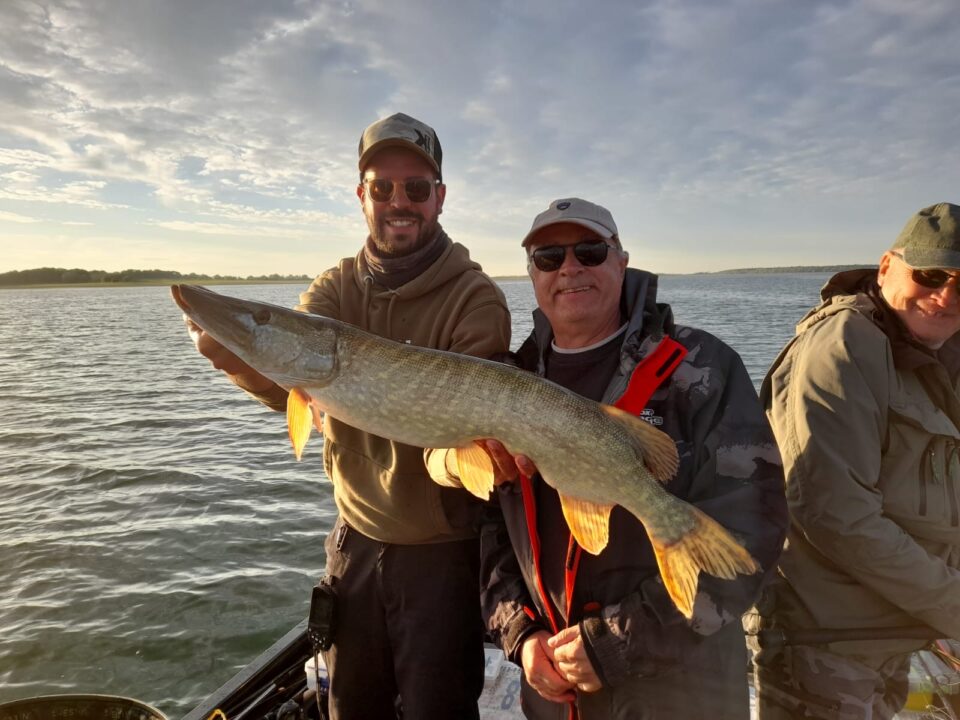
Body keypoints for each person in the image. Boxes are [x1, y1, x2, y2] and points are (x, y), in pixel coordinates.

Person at [185, 112, 511, 720]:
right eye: (381, 187)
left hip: (440, 554)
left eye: (416, 188)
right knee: (350, 709)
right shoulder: (334, 288)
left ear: (439, 198)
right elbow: (294, 388)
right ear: (361, 196)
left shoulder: (475, 298)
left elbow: (467, 441)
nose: (399, 201)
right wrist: (234, 360)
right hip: (354, 545)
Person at [430, 198, 787, 719]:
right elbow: (493, 530)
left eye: (590, 251)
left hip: (679, 689)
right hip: (555, 688)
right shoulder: (507, 384)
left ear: (621, 262)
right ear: (532, 274)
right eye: (549, 257)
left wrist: (618, 644)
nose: (570, 268)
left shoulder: (700, 368)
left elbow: (752, 528)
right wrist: (520, 633)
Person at [752, 202, 960, 719]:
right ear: (887, 266)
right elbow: (833, 513)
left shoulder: (925, 351)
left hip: (890, 627)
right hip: (825, 638)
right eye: (931, 274)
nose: (945, 296)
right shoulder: (844, 345)